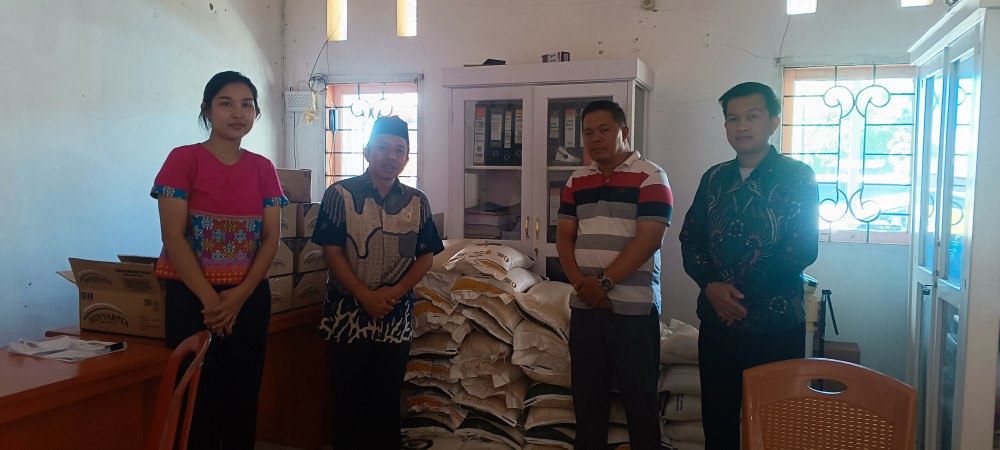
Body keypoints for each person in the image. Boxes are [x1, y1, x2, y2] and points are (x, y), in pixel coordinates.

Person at [678, 81, 819, 449]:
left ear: (773, 122)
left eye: (752, 116)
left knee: (774, 428)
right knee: (718, 424)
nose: (741, 126)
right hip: (717, 325)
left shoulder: (798, 175)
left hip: (775, 324)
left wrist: (738, 295)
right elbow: (691, 237)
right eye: (733, 118)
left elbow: (802, 247)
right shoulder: (714, 178)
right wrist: (710, 286)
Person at [151, 70, 286, 449]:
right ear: (207, 109)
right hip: (191, 297)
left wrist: (238, 297)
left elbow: (271, 238)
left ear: (257, 113)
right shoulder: (183, 159)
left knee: (242, 398)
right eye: (226, 103)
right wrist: (212, 302)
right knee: (196, 399)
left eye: (247, 104)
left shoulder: (263, 168)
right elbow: (173, 236)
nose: (238, 112)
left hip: (249, 299)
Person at [311, 115, 445, 450]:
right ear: (367, 151)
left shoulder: (418, 201)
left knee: (385, 403)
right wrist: (364, 295)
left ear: (407, 157)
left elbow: (426, 256)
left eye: (399, 149)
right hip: (347, 315)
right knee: (347, 402)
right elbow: (331, 251)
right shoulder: (339, 194)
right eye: (383, 147)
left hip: (394, 317)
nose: (391, 156)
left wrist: (395, 292)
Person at [555, 100, 673, 450]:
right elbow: (564, 238)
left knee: (640, 399)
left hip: (634, 310)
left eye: (604, 130)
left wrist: (603, 283)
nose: (595, 138)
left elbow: (650, 239)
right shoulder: (576, 180)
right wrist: (582, 285)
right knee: (587, 400)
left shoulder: (651, 176)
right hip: (586, 308)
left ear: (624, 132)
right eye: (588, 133)